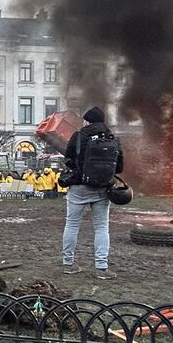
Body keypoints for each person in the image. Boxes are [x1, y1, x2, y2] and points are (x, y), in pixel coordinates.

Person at [61, 107, 123, 278]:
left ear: (87, 121)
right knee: (102, 227)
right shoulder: (113, 139)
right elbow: (119, 167)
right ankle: (101, 268)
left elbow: (68, 159)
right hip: (103, 188)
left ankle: (68, 264)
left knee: (72, 225)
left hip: (79, 187)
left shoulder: (79, 136)